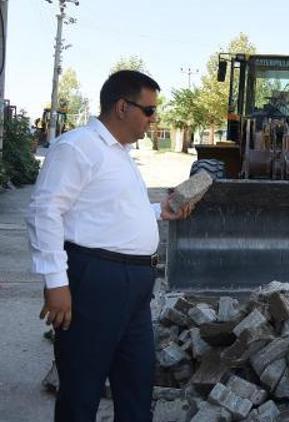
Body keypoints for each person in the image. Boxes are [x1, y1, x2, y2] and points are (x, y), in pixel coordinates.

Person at [26, 70, 192, 421]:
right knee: (82, 389)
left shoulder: (120, 153)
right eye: (149, 111)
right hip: (95, 281)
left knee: (136, 385)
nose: (154, 119)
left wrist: (159, 211)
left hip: (133, 287)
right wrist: (56, 282)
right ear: (122, 107)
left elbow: (109, 212)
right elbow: (46, 211)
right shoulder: (77, 147)